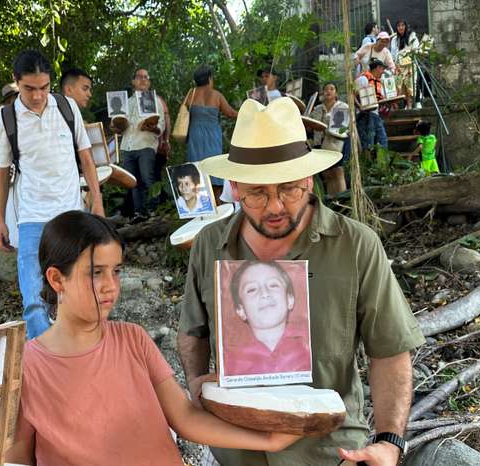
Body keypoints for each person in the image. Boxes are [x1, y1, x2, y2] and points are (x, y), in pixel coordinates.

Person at [178, 97, 424, 466]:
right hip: (236, 453)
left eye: (290, 189)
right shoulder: (210, 245)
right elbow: (192, 329)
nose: (275, 206)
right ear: (235, 186)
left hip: (329, 454)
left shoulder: (356, 246)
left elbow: (389, 349)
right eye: (257, 192)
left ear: (309, 179)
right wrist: (197, 381)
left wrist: (389, 442)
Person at [5, 210, 302, 465]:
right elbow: (15, 459)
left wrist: (268, 440)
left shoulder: (132, 339)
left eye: (117, 271)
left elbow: (184, 417)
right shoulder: (26, 367)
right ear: (57, 279)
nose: (111, 286)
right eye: (96, 273)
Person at [0, 50, 105, 340]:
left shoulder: (67, 107)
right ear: (16, 82)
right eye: (29, 88)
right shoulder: (6, 118)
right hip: (31, 217)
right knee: (33, 300)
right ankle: (44, 362)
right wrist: (0, 221)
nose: (37, 95)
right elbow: (2, 173)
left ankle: (81, 352)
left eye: (44, 87)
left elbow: (86, 157)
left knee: (78, 291)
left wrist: (98, 203)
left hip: (71, 215)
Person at [223, 261, 310, 377]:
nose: (264, 293)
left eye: (273, 285)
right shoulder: (230, 362)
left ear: (290, 299)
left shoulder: (307, 349)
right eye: (252, 289)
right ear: (241, 310)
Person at [113, 68, 165, 221]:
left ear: (149, 82)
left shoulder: (155, 101)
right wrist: (116, 127)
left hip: (145, 144)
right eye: (139, 77)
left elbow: (161, 124)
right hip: (128, 146)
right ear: (133, 81)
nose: (143, 80)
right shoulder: (124, 103)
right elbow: (119, 126)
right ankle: (139, 212)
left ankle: (156, 210)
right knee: (133, 182)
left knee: (148, 177)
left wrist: (154, 127)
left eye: (146, 77)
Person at [186, 65, 238, 200]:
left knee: (197, 167)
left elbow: (184, 115)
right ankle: (216, 200)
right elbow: (231, 113)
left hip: (195, 135)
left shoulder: (191, 94)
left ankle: (201, 204)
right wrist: (247, 112)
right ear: (209, 78)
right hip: (212, 136)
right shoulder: (217, 95)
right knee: (214, 165)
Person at [0, 83, 20, 248]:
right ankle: (10, 243)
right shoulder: (5, 116)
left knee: (5, 209)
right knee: (9, 208)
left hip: (3, 172)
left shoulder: (2, 115)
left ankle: (6, 243)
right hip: (5, 171)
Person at [309, 83, 350, 196]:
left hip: (338, 143)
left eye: (332, 89)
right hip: (320, 143)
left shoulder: (342, 107)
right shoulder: (317, 109)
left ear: (336, 93)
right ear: (322, 92)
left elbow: (341, 129)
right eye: (326, 89)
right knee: (327, 174)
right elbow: (310, 125)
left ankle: (341, 200)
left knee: (338, 171)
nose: (328, 91)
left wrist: (325, 129)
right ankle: (332, 201)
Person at [356, 59, 389, 153]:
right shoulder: (362, 79)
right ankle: (368, 163)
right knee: (368, 141)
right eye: (382, 69)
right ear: (378, 68)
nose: (383, 72)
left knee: (382, 140)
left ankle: (382, 162)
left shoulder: (378, 83)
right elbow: (352, 95)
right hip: (364, 115)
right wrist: (360, 107)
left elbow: (380, 99)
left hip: (375, 114)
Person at [390, 20, 420, 108]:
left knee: (409, 85)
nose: (401, 27)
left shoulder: (412, 36)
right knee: (399, 86)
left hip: (409, 65)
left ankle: (410, 105)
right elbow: (393, 54)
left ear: (406, 26)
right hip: (399, 66)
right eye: (399, 25)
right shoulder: (395, 39)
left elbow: (416, 49)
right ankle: (399, 107)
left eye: (403, 25)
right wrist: (394, 65)